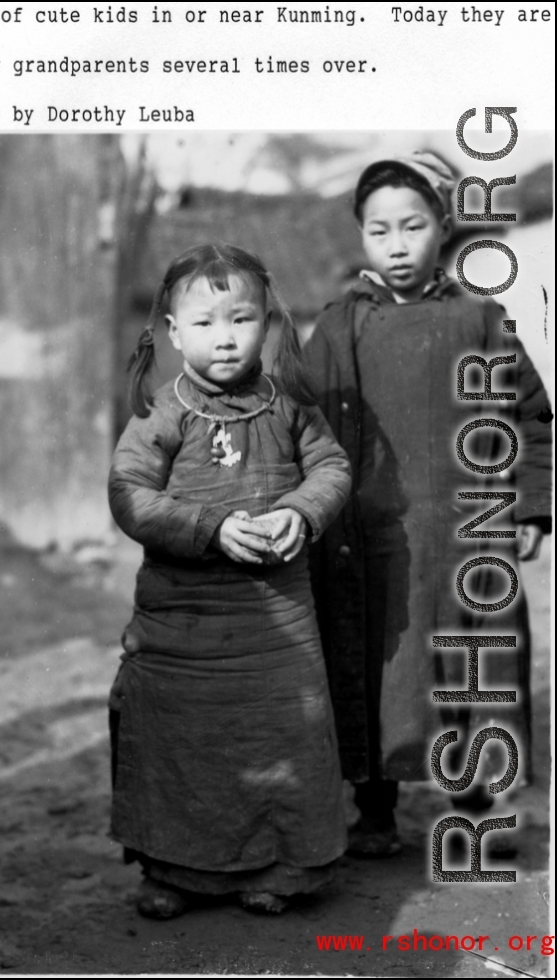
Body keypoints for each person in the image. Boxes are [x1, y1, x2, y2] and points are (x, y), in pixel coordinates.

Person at [305, 151, 553, 858]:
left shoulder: (481, 320)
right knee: (372, 663)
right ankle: (374, 808)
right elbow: (304, 423)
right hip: (368, 538)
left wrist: (533, 505)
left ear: (442, 225)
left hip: (465, 536)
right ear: (362, 238)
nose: (396, 244)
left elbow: (530, 416)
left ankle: (474, 804)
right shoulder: (336, 328)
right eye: (378, 230)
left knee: (469, 668)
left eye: (411, 226)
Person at [108, 243, 352, 918]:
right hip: (182, 623)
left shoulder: (291, 405)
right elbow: (129, 494)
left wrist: (301, 514)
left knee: (282, 737)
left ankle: (279, 867)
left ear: (269, 323)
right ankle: (173, 870)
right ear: (173, 331)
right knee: (178, 742)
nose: (226, 338)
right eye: (206, 322)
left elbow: (331, 470)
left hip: (276, 625)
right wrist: (210, 527)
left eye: (241, 319)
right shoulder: (159, 413)